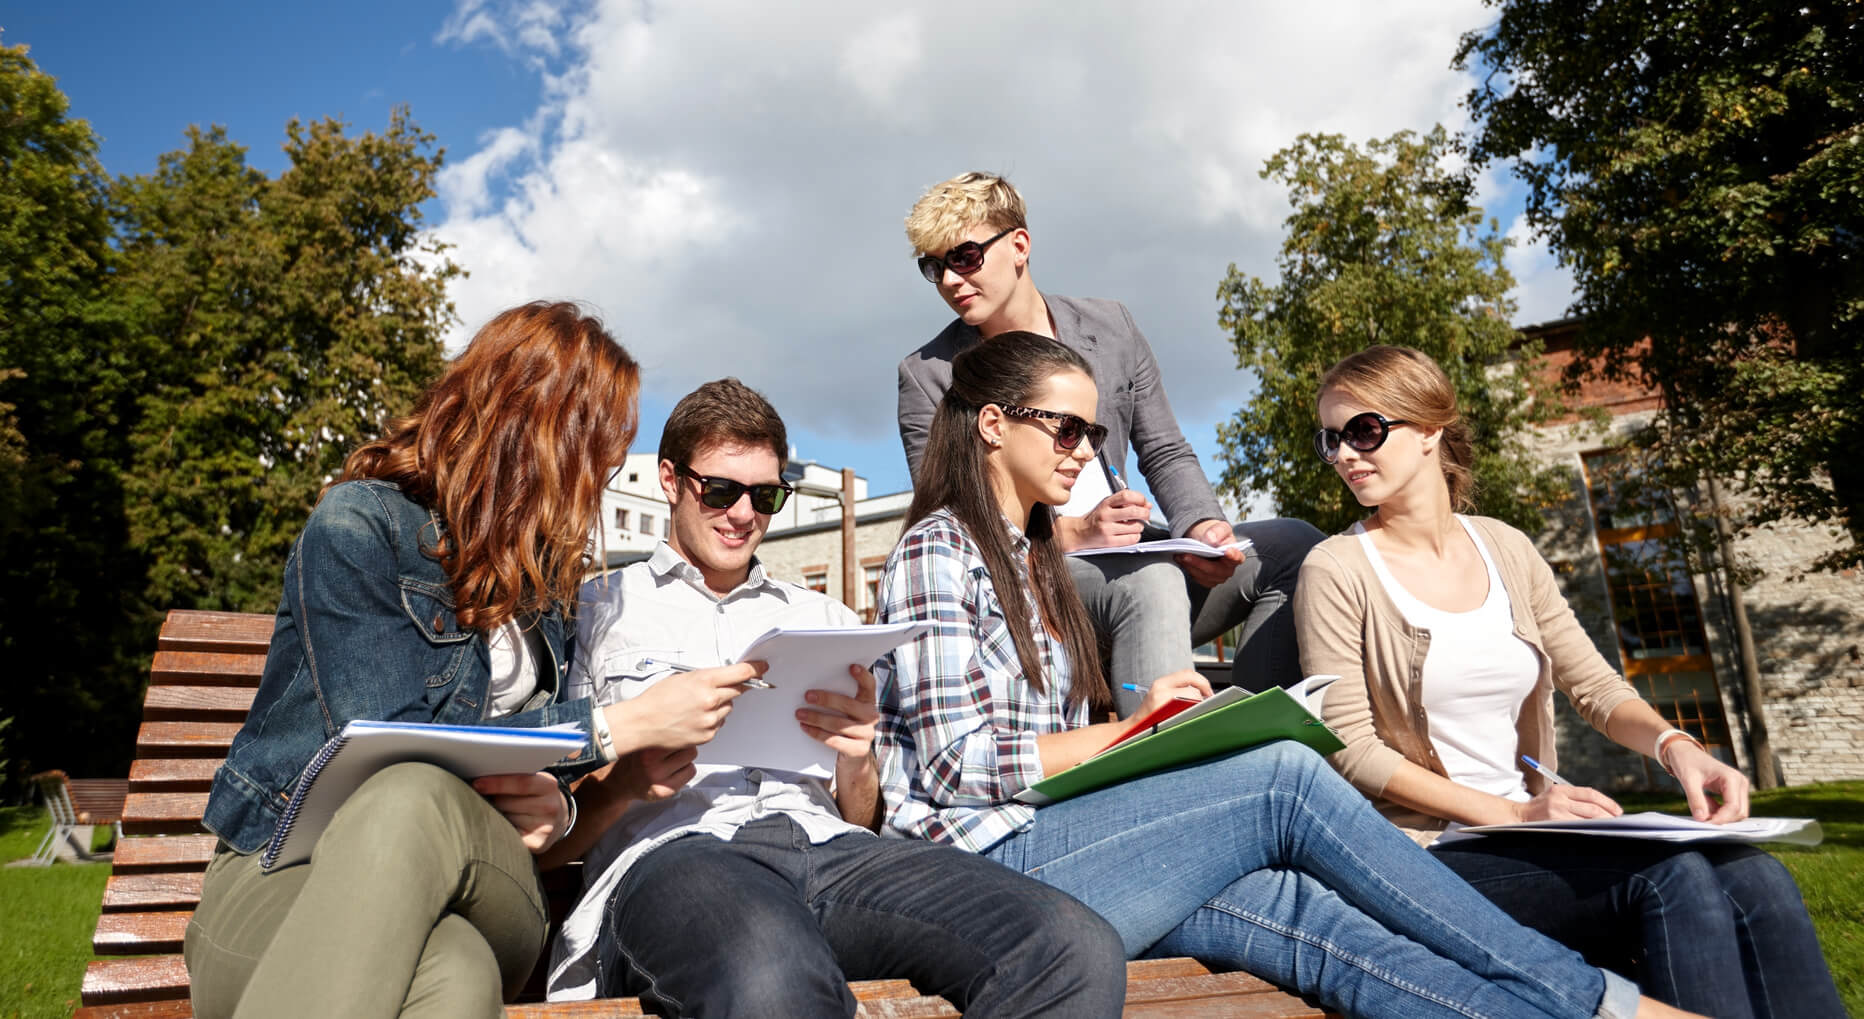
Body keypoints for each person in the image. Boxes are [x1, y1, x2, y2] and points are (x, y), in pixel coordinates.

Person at [872, 331, 1715, 1019]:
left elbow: (1034, 749)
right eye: (1067, 430)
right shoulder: (937, 549)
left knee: (1303, 914)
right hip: (984, 875)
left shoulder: (1031, 561)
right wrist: (1132, 730)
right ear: (990, 423)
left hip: (1057, 850)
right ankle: (1604, 1001)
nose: (1083, 451)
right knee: (1284, 776)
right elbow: (956, 768)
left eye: (1092, 434)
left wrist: (1154, 728)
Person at [186, 302, 724, 1017]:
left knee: (413, 801)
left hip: (486, 882)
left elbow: (515, 787)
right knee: (456, 975)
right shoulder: (359, 527)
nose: (607, 470)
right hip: (277, 879)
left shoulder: (546, 583)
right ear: (534, 430)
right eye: (599, 442)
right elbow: (379, 748)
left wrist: (560, 805)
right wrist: (613, 726)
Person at [543, 378, 1126, 1017]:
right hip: (678, 855)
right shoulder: (598, 609)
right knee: (772, 974)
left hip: (830, 849)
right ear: (668, 479)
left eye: (765, 496)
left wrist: (855, 759)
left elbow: (861, 814)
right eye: (719, 491)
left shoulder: (825, 616)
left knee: (1071, 945)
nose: (743, 515)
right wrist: (626, 781)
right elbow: (550, 836)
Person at [1294, 344, 1844, 1019]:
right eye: (1332, 438)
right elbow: (1349, 748)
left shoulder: (1506, 548)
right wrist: (1520, 813)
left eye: (1365, 430)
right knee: (1672, 880)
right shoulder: (1337, 568)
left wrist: (1680, 748)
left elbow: (1597, 688)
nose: (1346, 453)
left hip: (1535, 833)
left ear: (1430, 429)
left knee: (1754, 873)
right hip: (1429, 854)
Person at [898, 171, 1323, 706]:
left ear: (1019, 246)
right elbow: (952, 511)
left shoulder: (1113, 326)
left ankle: (1253, 736)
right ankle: (1169, 770)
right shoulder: (927, 374)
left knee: (1296, 547)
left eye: (964, 257)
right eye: (934, 268)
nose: (950, 281)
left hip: (1141, 552)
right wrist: (1073, 533)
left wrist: (1204, 527)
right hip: (1036, 585)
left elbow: (1165, 449)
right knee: (1150, 579)